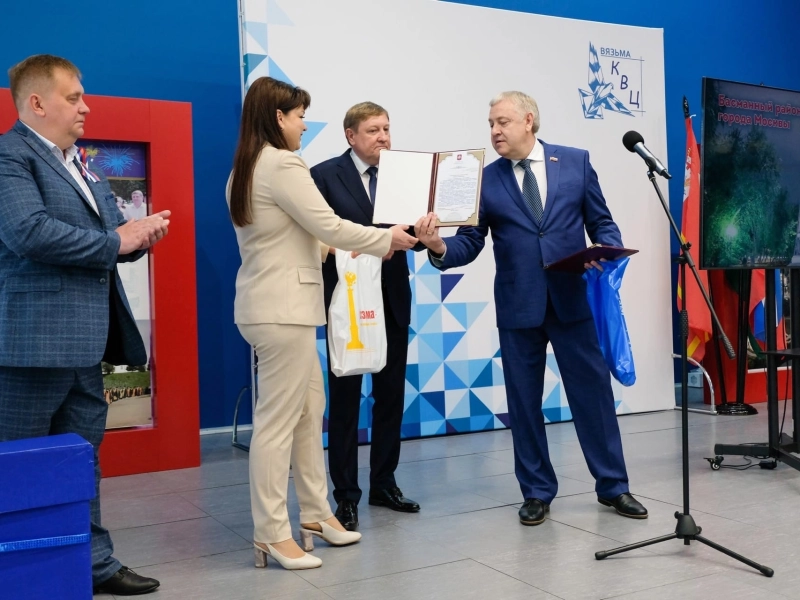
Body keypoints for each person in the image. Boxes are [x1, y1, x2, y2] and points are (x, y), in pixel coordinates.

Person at [414, 91, 648, 527]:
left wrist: (605, 249)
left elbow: (601, 221)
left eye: (502, 122)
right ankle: (537, 491)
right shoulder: (486, 179)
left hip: (572, 300)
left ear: (528, 121)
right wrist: (439, 246)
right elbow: (470, 241)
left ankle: (613, 486)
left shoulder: (575, 162)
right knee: (524, 403)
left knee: (593, 397)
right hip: (518, 305)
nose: (494, 131)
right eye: (490, 124)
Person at [226, 77, 418, 570]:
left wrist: (337, 247)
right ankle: (272, 532)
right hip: (283, 309)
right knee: (277, 426)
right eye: (299, 117)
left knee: (310, 413)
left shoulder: (245, 168)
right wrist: (387, 239)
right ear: (278, 118)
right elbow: (327, 224)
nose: (305, 126)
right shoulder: (283, 163)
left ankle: (316, 514)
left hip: (272, 306)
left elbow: (293, 237)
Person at [0, 54, 170, 595]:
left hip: (85, 342)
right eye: (73, 97)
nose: (85, 107)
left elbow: (105, 237)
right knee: (17, 465)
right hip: (30, 347)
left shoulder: (79, 162)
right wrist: (116, 241)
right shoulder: (8, 156)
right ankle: (18, 571)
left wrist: (137, 236)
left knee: (80, 463)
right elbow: (28, 232)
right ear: (37, 103)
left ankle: (93, 563)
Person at [310, 102, 422, 531]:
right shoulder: (323, 176)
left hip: (392, 298)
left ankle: (384, 484)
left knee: (390, 396)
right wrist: (373, 243)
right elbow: (317, 236)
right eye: (374, 130)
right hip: (349, 302)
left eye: (387, 129)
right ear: (350, 135)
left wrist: (423, 232)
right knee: (345, 400)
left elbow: (410, 234)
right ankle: (346, 496)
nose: (383, 137)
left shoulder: (401, 175)